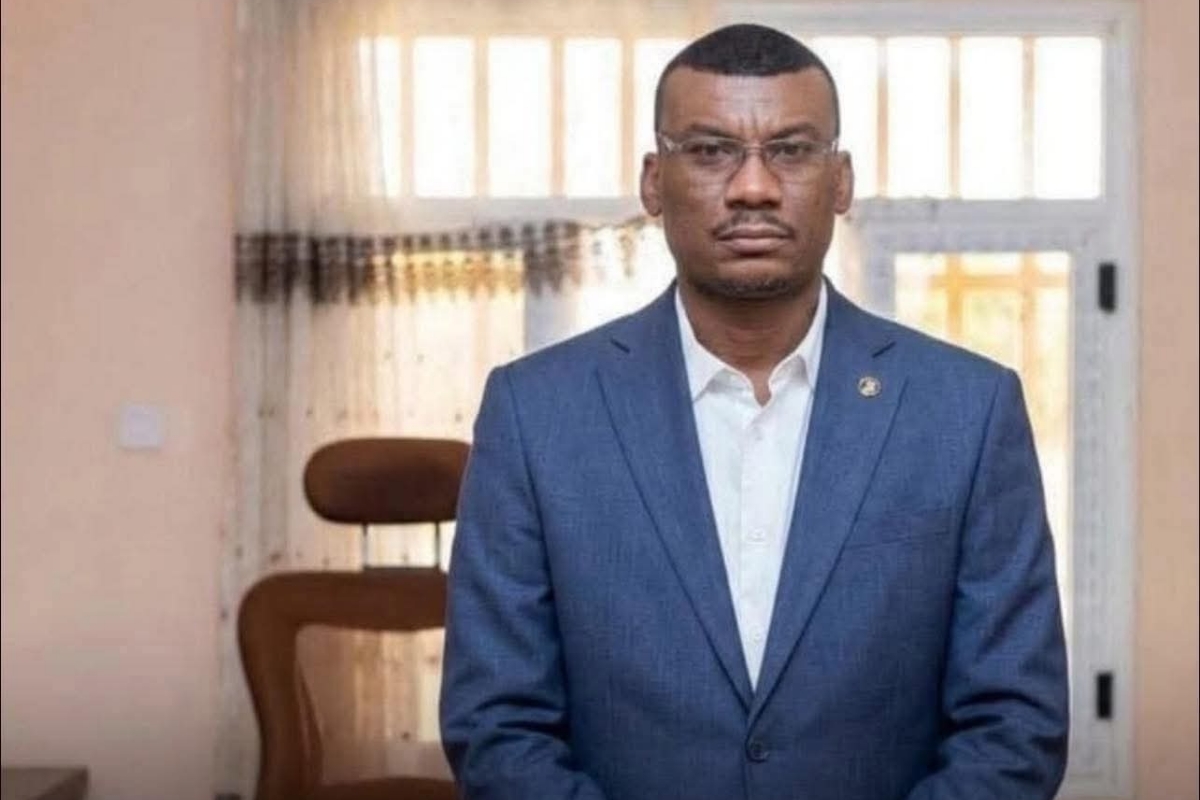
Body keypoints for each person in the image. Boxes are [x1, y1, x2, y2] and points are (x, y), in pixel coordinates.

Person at [439, 23, 1069, 800]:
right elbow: (497, 726)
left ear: (841, 181)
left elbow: (1015, 725)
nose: (753, 188)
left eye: (792, 150)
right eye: (711, 151)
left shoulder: (967, 412)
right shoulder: (535, 414)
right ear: (653, 182)